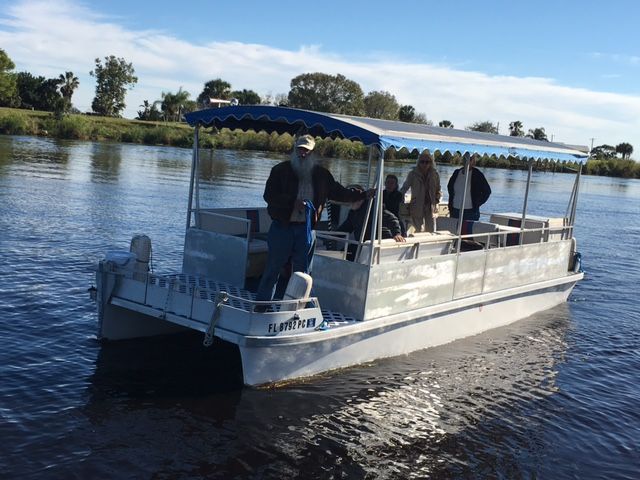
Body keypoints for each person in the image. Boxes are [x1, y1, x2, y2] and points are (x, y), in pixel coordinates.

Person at [256, 134, 370, 304]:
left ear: (312, 153)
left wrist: (362, 194)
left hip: (307, 230)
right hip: (282, 228)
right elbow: (269, 196)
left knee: (304, 273)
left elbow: (338, 192)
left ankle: (300, 307)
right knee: (273, 269)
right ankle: (262, 305)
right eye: (300, 149)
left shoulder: (322, 175)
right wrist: (292, 203)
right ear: (294, 150)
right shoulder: (280, 170)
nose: (303, 154)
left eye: (306, 151)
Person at [338, 187, 405, 260]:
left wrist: (397, 234)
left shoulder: (373, 207)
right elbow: (346, 227)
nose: (350, 202)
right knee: (343, 253)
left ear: (361, 199)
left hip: (377, 243)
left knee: (354, 255)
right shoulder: (353, 212)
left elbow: (392, 219)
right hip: (363, 244)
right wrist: (331, 236)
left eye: (352, 200)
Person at [399, 151, 441, 234]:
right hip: (417, 206)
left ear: (431, 163)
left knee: (431, 230)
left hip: (430, 207)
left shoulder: (435, 175)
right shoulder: (412, 174)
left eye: (427, 162)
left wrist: (436, 199)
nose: (425, 164)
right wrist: (399, 198)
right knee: (419, 230)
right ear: (419, 162)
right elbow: (404, 188)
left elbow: (438, 189)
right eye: (422, 162)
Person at [447, 154, 491, 221]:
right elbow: (450, 187)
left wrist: (477, 203)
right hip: (455, 210)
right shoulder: (456, 173)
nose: (467, 161)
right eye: (465, 158)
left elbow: (487, 191)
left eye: (469, 159)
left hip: (470, 212)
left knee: (468, 231)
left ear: (473, 161)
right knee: (453, 231)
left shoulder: (477, 174)